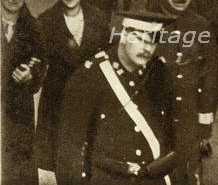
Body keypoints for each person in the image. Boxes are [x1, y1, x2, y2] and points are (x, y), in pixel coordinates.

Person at [55, 11, 177, 185]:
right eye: (139, 38)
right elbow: (70, 150)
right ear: (124, 34)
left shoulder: (160, 73)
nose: (147, 48)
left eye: (153, 40)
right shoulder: (88, 77)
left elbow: (173, 134)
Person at [149, 0, 218, 185]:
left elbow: (209, 78)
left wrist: (204, 127)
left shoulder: (201, 27)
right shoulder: (143, 23)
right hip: (151, 121)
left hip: (187, 125)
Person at [35, 0, 109, 172]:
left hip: (91, 96)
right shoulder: (45, 22)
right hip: (57, 97)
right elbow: (37, 63)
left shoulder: (99, 19)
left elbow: (108, 59)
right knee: (60, 158)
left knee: (92, 157)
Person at [1, 0, 45, 185]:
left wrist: (30, 76)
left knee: (18, 171)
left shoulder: (34, 28)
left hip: (18, 112)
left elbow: (40, 67)